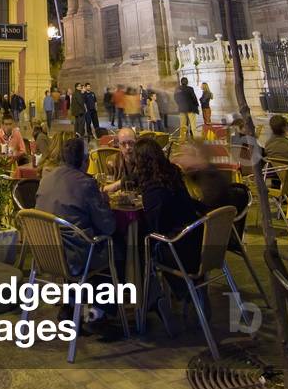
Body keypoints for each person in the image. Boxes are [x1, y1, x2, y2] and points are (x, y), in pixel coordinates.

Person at [132, 138, 205, 296]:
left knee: (135, 245)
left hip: (178, 249)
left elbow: (157, 227)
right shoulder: (172, 173)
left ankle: (148, 297)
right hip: (198, 241)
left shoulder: (153, 190)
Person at [36, 137, 117, 273]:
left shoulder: (45, 179)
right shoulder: (85, 183)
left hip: (43, 251)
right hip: (74, 255)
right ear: (85, 161)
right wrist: (105, 203)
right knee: (119, 245)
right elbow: (108, 227)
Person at [103, 127, 138, 193]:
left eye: (131, 143)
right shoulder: (112, 161)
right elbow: (106, 187)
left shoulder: (144, 160)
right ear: (119, 145)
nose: (127, 147)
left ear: (136, 142)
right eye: (123, 144)